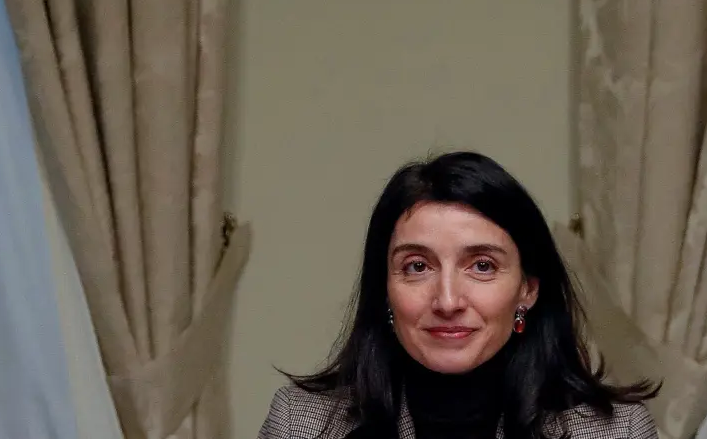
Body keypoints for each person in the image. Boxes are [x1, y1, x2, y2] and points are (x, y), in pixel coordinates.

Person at [258, 151, 659, 439]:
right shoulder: (300, 424)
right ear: (384, 288)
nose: (448, 301)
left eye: (482, 266)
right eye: (417, 266)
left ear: (528, 289)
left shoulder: (615, 432)